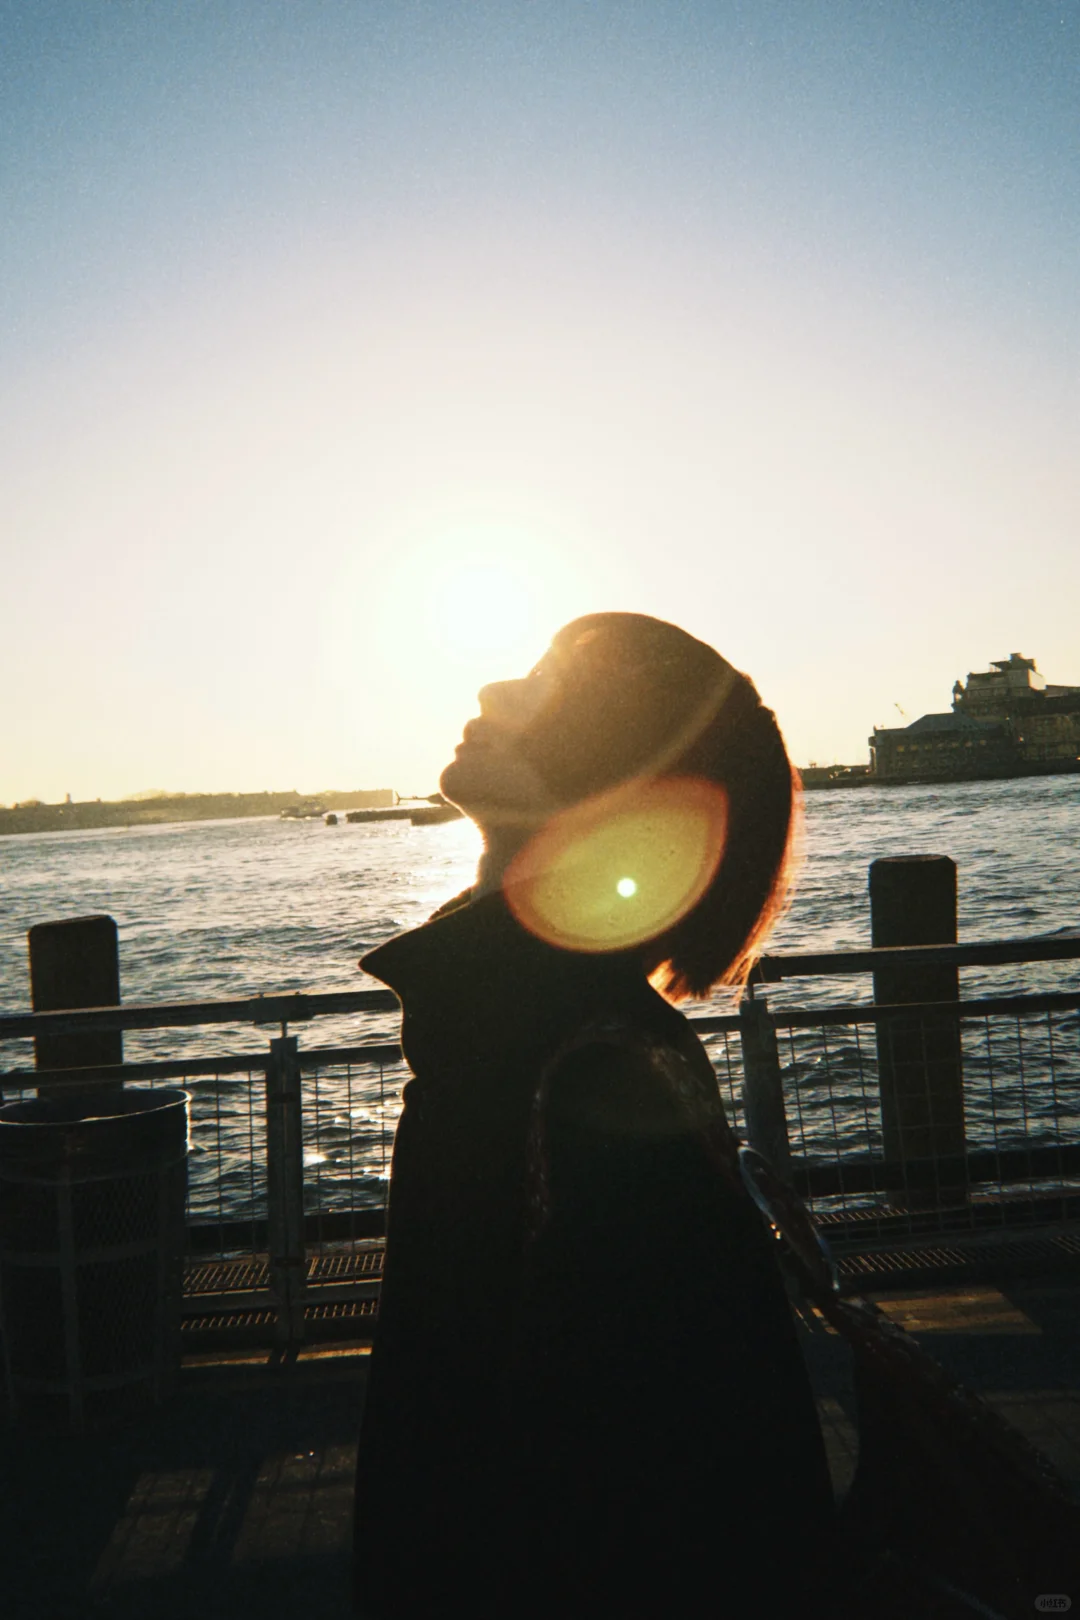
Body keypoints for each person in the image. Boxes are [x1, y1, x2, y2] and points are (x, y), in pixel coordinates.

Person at [352, 612, 838, 1619]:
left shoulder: (582, 1074)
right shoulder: (521, 1024)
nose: (493, 693)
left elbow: (655, 1497)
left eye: (550, 694)